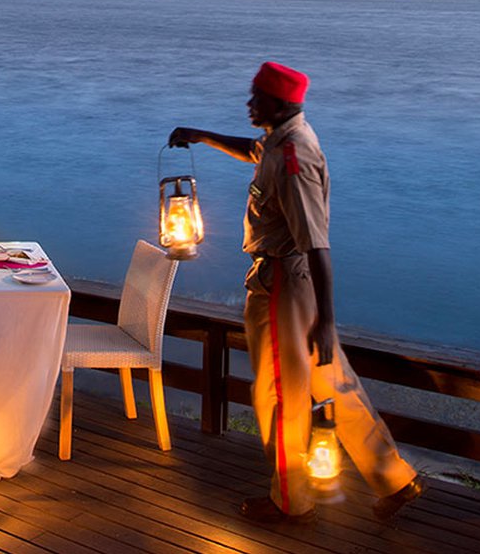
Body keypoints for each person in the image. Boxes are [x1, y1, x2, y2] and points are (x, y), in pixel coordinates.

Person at [169, 60, 425, 523]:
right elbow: (254, 150)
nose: (249, 104)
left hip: (283, 287)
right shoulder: (283, 139)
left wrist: (326, 320)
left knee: (278, 395)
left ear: (280, 103)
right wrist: (202, 136)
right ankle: (395, 477)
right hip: (294, 281)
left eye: (258, 98)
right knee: (335, 384)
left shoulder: (294, 160)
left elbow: (317, 244)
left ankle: (291, 501)